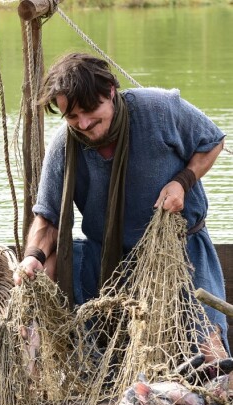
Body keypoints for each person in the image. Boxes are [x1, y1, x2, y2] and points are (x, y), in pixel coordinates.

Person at [14, 52, 228, 355]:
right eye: (72, 117)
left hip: (181, 253)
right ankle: (37, 383)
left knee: (207, 346)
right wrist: (32, 256)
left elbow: (211, 141)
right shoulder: (65, 145)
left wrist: (183, 181)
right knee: (42, 271)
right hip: (107, 260)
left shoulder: (159, 109)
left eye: (90, 111)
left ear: (111, 92)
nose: (84, 124)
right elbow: (47, 220)